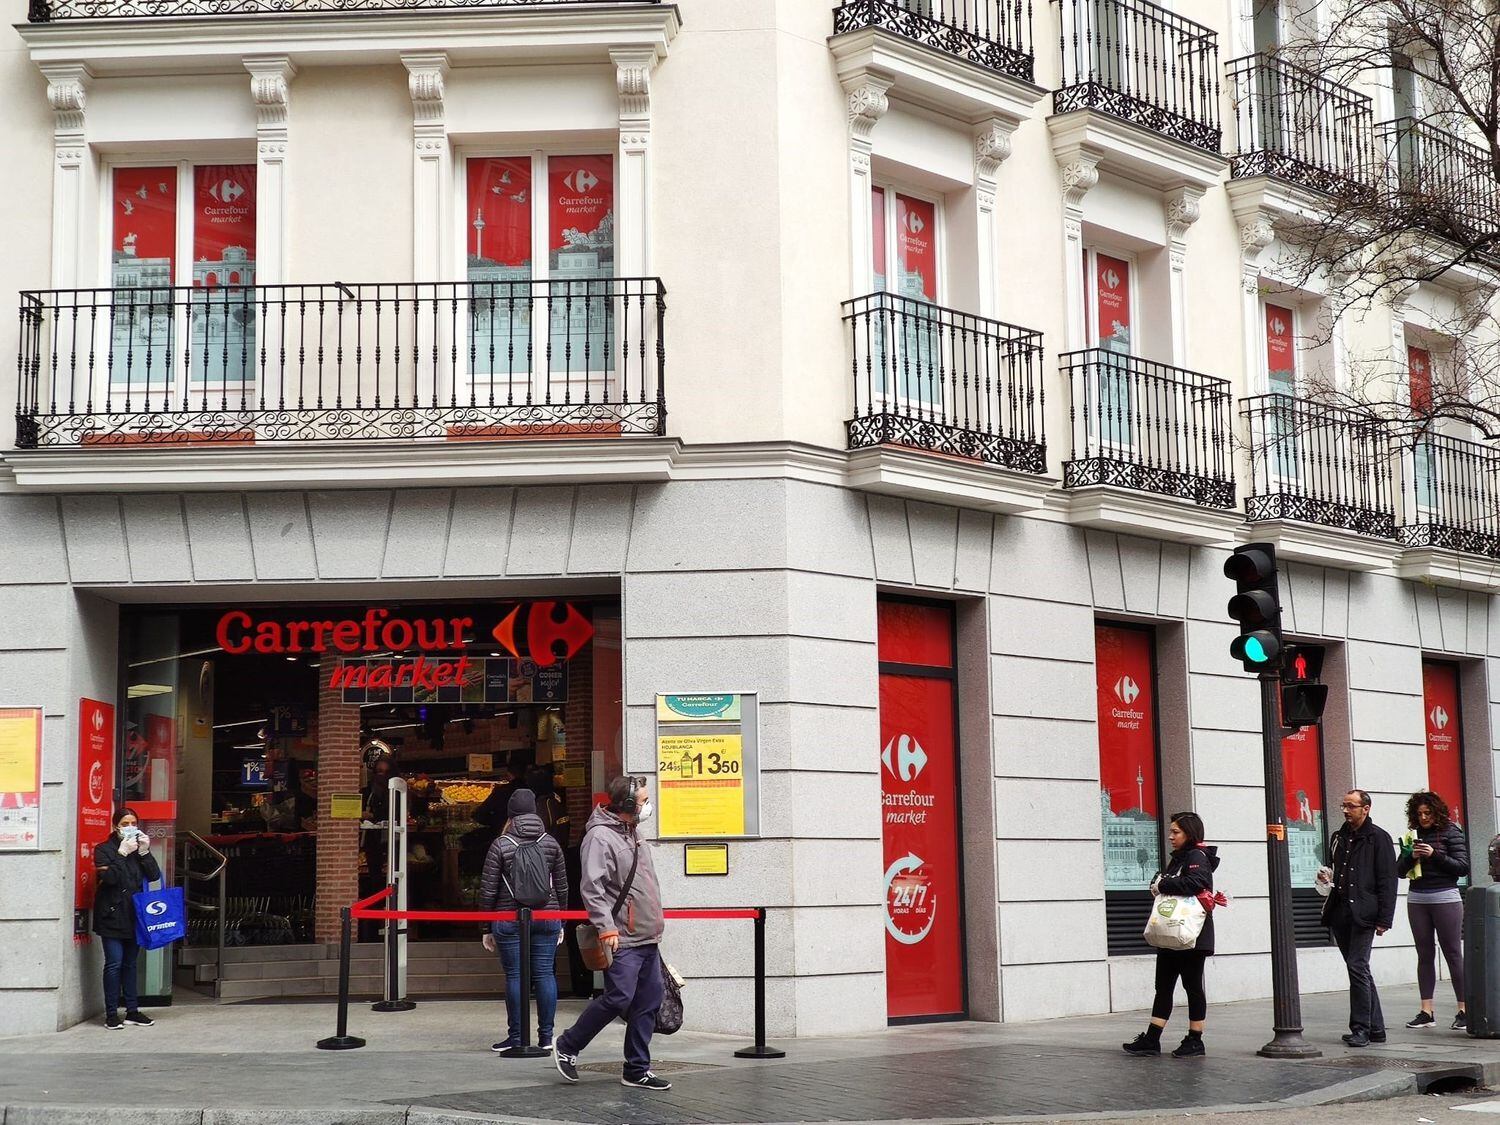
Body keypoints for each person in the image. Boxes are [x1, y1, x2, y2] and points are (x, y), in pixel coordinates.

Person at [554, 776, 670, 1091]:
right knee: (619, 997)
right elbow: (592, 887)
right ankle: (568, 1044)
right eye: (644, 800)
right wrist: (606, 927)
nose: (648, 805)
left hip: (646, 935)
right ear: (628, 805)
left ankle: (636, 1068)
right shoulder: (601, 838)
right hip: (623, 935)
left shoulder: (633, 832)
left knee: (648, 1000)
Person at [479, 787, 569, 1054]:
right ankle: (546, 1037)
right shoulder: (551, 843)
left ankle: (517, 1037)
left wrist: (486, 927)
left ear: (510, 814)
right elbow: (562, 886)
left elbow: (488, 889)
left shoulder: (501, 844)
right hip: (547, 917)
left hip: (509, 919)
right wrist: (561, 919)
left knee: (515, 976)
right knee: (544, 974)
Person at [1123, 812, 1220, 1058]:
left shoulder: (1196, 856)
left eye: (1176, 832)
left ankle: (1195, 1039)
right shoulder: (1180, 858)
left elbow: (1196, 883)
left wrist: (1162, 885)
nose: (1170, 836)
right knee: (1163, 986)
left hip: (1190, 935)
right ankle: (1152, 1038)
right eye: (1171, 831)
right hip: (1172, 932)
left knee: (1192, 986)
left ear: (1189, 833)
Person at [1318, 789, 1397, 1047]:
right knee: (1359, 969)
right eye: (1344, 805)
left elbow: (1388, 881)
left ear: (1366, 808)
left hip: (1365, 913)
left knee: (1357, 966)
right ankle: (1376, 1029)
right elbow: (1334, 869)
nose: (1345, 810)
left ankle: (1361, 1028)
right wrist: (1326, 878)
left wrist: (1385, 919)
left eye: (1351, 806)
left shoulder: (1379, 838)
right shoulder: (1338, 837)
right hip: (1340, 911)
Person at [1397, 791, 1469, 1030]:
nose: (1423, 817)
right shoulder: (1412, 836)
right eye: (1419, 814)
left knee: (1452, 951)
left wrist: (1434, 854)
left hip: (1445, 896)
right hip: (1417, 896)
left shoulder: (1451, 831)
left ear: (1436, 812)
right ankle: (1426, 1011)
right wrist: (1410, 857)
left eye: (1427, 813)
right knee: (1424, 953)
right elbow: (1398, 870)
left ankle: (1464, 1008)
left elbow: (1462, 867)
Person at [92, 807, 162, 1030]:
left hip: (134, 915)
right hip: (111, 915)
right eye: (124, 823)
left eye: (133, 823)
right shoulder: (104, 849)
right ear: (115, 826)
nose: (130, 827)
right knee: (114, 964)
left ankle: (132, 1010)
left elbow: (153, 876)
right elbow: (110, 878)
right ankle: (111, 1013)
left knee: (130, 964)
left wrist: (144, 852)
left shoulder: (137, 849)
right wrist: (121, 854)